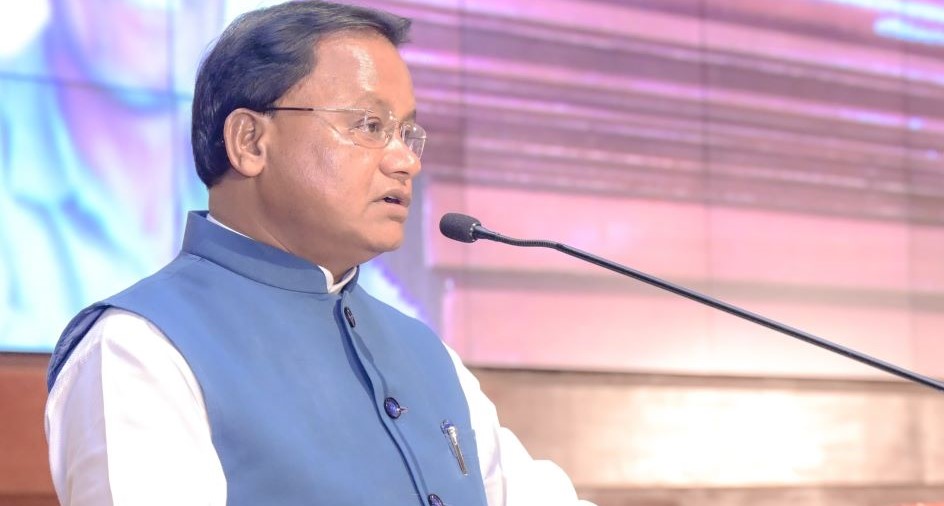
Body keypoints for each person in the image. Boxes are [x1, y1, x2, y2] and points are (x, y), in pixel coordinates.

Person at [44, 2, 597, 505]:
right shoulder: (138, 348)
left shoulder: (426, 354)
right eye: (370, 125)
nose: (406, 161)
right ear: (250, 142)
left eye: (407, 132)